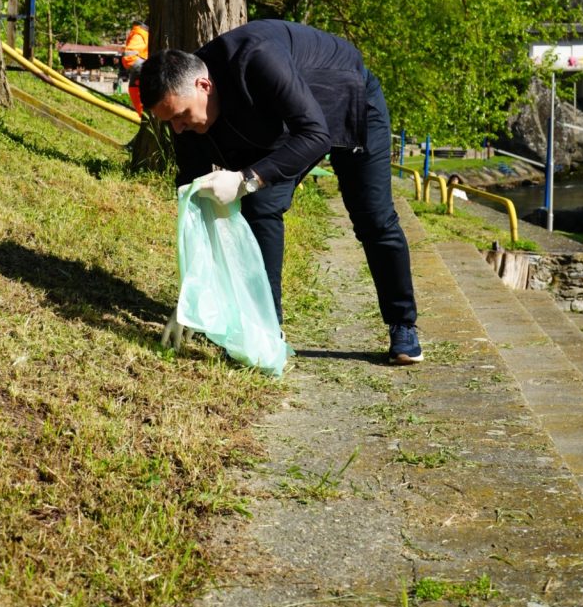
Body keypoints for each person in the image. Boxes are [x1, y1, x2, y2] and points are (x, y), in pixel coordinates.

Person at [139, 20, 422, 365]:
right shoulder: (184, 119)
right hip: (284, 126)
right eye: (169, 122)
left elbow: (315, 135)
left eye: (181, 116)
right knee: (260, 207)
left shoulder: (257, 59)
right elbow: (196, 210)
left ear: (204, 85)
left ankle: (402, 324)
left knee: (373, 218)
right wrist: (192, 295)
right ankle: (267, 327)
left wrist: (245, 180)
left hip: (347, 97)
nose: (178, 129)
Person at [120, 19, 149, 116]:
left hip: (133, 64)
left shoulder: (136, 32)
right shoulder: (143, 33)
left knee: (134, 87)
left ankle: (143, 115)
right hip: (138, 63)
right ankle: (143, 116)